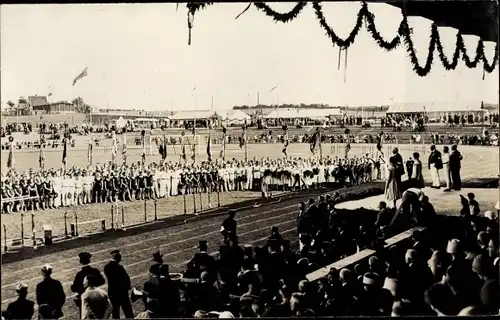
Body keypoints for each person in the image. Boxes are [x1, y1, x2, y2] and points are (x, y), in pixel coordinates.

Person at [71, 252, 106, 317]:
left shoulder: (79, 274)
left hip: (84, 297)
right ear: (89, 260)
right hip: (95, 295)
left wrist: (82, 288)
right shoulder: (95, 271)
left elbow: (74, 288)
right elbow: (102, 281)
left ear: (80, 262)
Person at [103, 250, 134, 319]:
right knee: (128, 311)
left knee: (115, 312)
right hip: (122, 293)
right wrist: (127, 287)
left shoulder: (106, 267)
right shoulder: (120, 267)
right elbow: (126, 279)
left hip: (113, 292)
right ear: (118, 258)